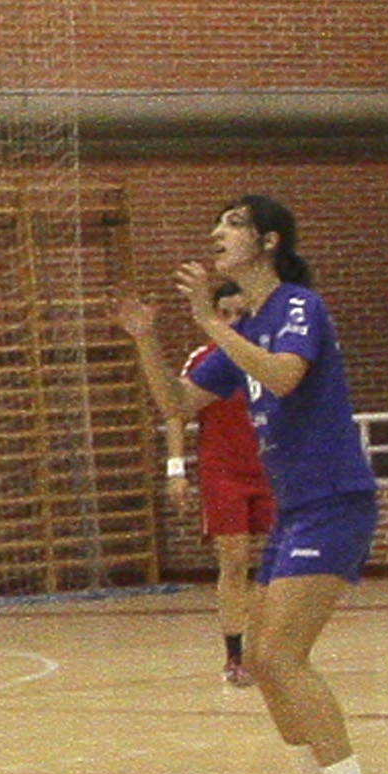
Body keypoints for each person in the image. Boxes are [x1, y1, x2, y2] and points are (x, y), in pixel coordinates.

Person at [140, 198, 388, 774]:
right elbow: (175, 402)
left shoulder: (298, 307)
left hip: (334, 499)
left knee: (283, 656)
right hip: (296, 508)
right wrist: (145, 336)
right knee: (259, 658)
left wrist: (207, 321)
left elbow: (284, 376)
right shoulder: (247, 325)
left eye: (231, 223)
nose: (217, 232)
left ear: (268, 240)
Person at [119, 283, 273, 687]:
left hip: (271, 469)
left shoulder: (269, 357)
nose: (234, 321)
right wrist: (175, 469)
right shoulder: (206, 360)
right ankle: (235, 655)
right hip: (223, 471)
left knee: (282, 563)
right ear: (214, 316)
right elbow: (176, 411)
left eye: (243, 312)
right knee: (235, 560)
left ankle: (274, 647)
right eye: (226, 313)